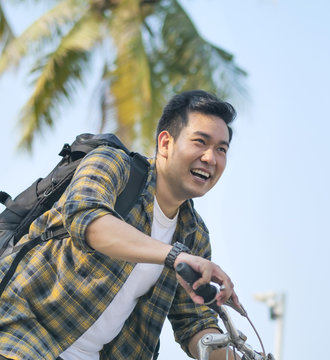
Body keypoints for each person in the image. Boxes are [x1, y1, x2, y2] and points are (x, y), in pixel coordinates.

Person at [0, 90, 240, 360]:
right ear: (165, 143)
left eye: (221, 149)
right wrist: (174, 256)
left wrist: (231, 353)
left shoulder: (194, 234)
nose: (211, 158)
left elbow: (193, 322)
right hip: (20, 332)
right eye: (200, 142)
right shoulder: (113, 164)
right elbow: (88, 220)